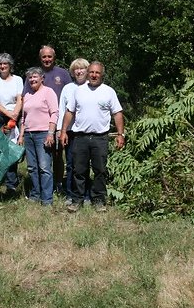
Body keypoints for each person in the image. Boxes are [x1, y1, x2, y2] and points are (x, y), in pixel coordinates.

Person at [60, 61, 125, 213]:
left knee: (100, 171)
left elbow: (117, 113)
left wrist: (120, 134)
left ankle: (99, 200)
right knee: (79, 170)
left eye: (97, 73)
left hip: (100, 138)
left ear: (102, 75)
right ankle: (77, 200)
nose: (94, 75)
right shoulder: (78, 91)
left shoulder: (109, 92)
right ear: (88, 73)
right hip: (80, 137)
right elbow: (70, 112)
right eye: (92, 72)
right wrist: (63, 131)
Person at [32, 45, 71, 196]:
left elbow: (71, 95)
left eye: (49, 57)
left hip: (59, 121)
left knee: (57, 154)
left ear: (54, 58)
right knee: (43, 155)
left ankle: (59, 182)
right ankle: (43, 185)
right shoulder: (35, 74)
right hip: (40, 122)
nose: (47, 59)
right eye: (44, 57)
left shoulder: (63, 73)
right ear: (40, 58)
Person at [18, 67, 59, 205]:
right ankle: (35, 194)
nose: (32, 80)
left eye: (35, 77)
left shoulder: (48, 92)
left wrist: (50, 133)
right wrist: (21, 135)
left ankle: (47, 198)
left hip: (43, 134)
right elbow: (24, 117)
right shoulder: (28, 94)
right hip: (29, 135)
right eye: (30, 77)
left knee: (44, 167)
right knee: (32, 167)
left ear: (42, 78)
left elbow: (54, 113)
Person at [0, 53, 23, 193]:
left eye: (5, 64)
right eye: (0, 64)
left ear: (10, 66)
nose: (2, 66)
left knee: (11, 150)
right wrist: (8, 114)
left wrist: (15, 115)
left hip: (13, 117)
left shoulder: (18, 79)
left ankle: (11, 184)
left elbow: (20, 99)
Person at [57, 58, 89, 206]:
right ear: (72, 72)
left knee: (84, 165)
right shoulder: (68, 88)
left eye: (82, 68)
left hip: (86, 132)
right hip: (70, 131)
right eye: (76, 69)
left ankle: (86, 195)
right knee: (70, 164)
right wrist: (60, 130)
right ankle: (70, 194)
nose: (79, 71)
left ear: (87, 71)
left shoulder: (92, 87)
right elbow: (62, 110)